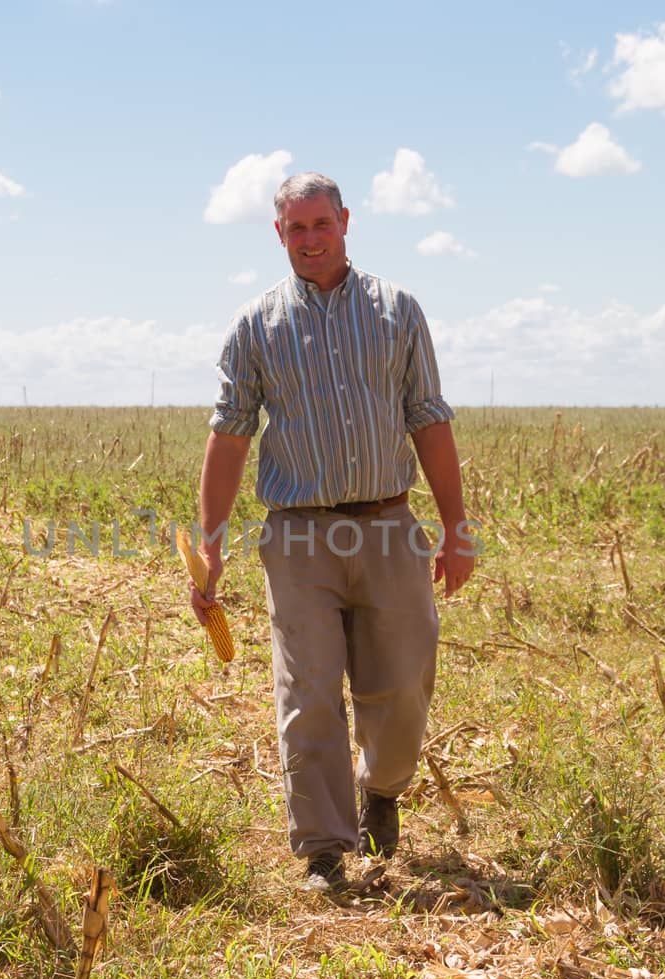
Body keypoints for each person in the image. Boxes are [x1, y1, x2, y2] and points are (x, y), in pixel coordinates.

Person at [191, 171, 474, 892]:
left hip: (387, 527)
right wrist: (210, 545)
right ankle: (323, 846)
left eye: (322, 225)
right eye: (296, 229)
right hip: (298, 536)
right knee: (308, 689)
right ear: (278, 234)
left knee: (403, 683)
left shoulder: (397, 312)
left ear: (346, 222)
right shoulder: (256, 327)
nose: (310, 240)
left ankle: (381, 786)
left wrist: (455, 526)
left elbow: (430, 420)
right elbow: (229, 439)